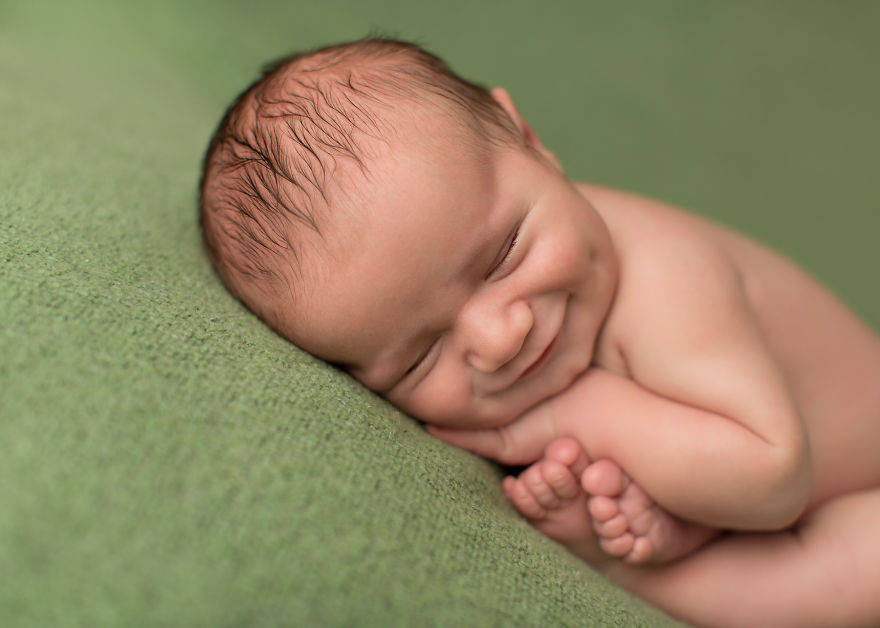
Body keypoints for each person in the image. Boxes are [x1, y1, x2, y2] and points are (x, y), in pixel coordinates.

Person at [199, 38, 880, 627]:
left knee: (855, 573)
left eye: (504, 255)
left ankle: (652, 581)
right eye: (421, 356)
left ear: (530, 142)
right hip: (742, 498)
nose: (498, 339)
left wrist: (572, 413)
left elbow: (771, 474)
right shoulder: (541, 285)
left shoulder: (663, 273)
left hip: (850, 484)